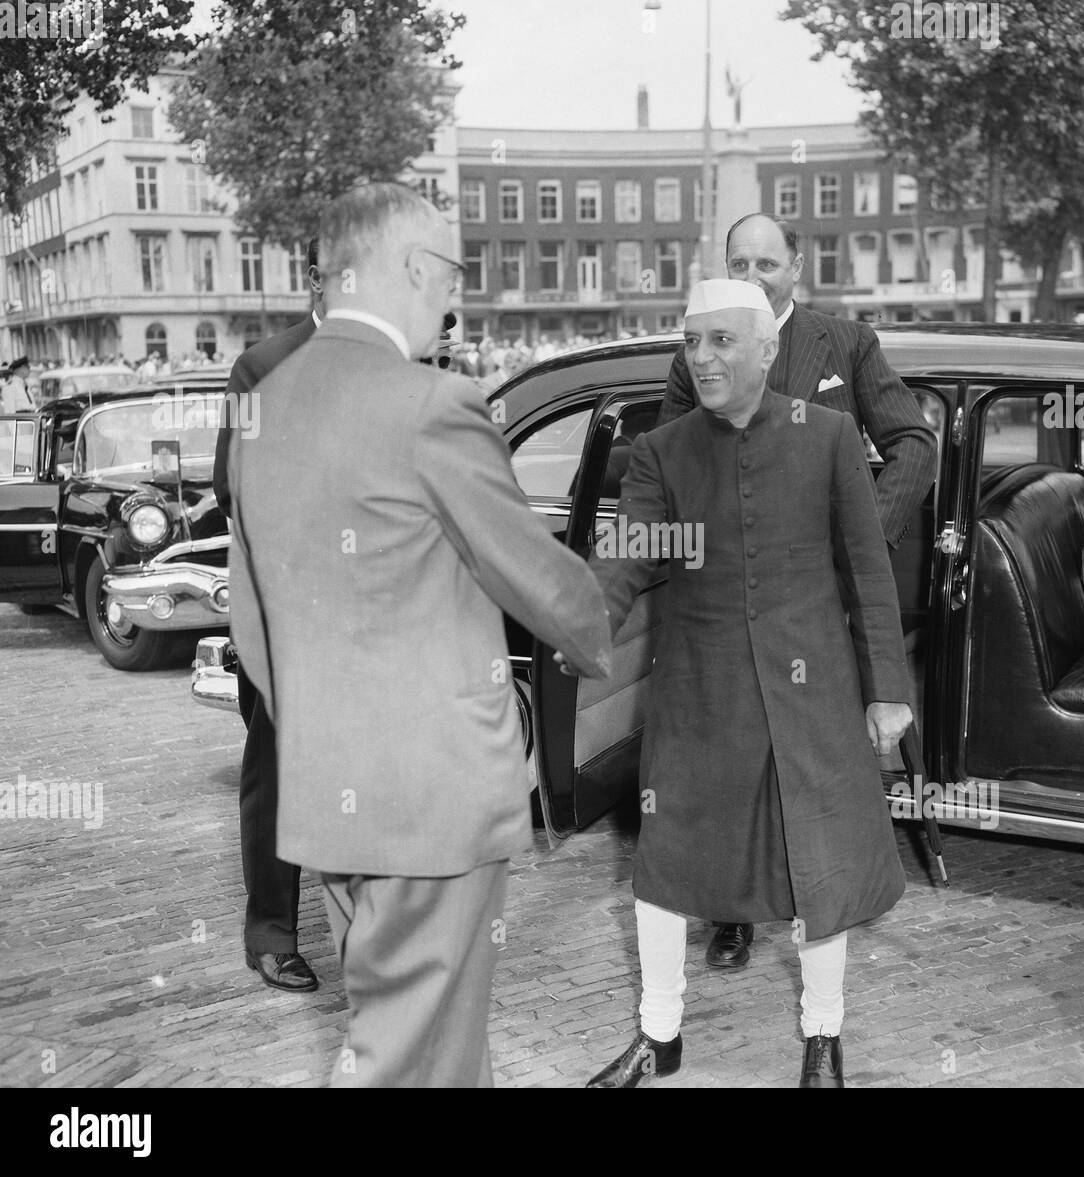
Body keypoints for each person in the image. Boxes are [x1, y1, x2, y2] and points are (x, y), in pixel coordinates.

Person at [227, 183, 612, 1087]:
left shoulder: (262, 402)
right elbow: (541, 579)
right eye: (451, 271)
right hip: (431, 805)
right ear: (407, 266)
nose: (453, 294)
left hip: (332, 797)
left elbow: (251, 617)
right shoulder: (431, 403)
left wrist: (324, 731)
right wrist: (613, 620)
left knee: (432, 1043)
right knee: (404, 1060)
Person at [572, 279, 911, 1088]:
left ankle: (823, 1037)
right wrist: (578, 618)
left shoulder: (828, 436)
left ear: (767, 349)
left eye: (723, 340)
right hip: (700, 694)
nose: (704, 356)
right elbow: (629, 554)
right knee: (664, 864)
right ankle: (659, 1035)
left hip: (813, 693)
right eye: (692, 342)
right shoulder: (663, 451)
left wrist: (886, 687)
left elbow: (868, 570)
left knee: (820, 865)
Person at [657, 213, 936, 970]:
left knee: (812, 760)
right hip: (731, 603)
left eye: (766, 264)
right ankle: (733, 912)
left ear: (796, 268)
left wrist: (862, 537)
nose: (751, 277)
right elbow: (669, 472)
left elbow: (914, 442)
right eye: (737, 263)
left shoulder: (845, 344)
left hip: (816, 608)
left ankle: (822, 905)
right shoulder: (697, 361)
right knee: (733, 761)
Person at [214, 239, 324, 994]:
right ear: (319, 278)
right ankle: (272, 933)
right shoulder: (262, 365)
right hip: (284, 606)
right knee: (277, 769)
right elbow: (233, 484)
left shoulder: (404, 363)